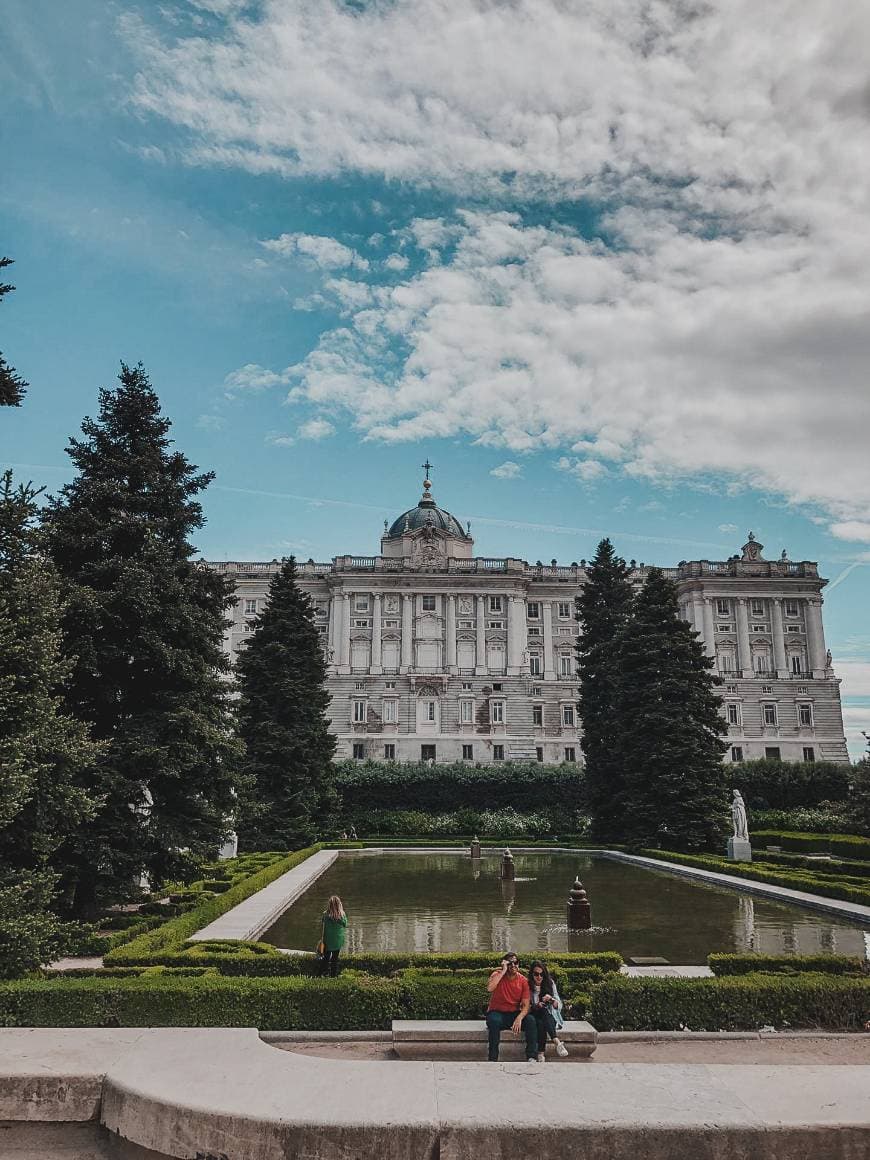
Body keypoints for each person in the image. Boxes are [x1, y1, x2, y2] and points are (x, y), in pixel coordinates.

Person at [485, 951, 537, 1062]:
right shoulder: (497, 974)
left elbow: (526, 1005)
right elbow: (490, 988)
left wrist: (519, 1018)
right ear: (505, 965)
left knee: (531, 1021)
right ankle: (493, 1059)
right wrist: (503, 971)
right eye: (510, 963)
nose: (514, 966)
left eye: (516, 963)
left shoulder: (523, 981)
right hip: (497, 1012)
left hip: (514, 1014)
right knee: (494, 1022)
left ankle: (532, 1056)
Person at [527, 961, 569, 1061]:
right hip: (533, 1014)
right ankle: (556, 1042)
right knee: (541, 1012)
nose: (539, 977)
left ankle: (541, 1054)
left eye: (542, 974)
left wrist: (551, 999)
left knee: (543, 1019)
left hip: (549, 1017)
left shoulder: (550, 983)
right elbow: (524, 1005)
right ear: (532, 974)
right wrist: (535, 1005)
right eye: (536, 974)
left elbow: (559, 1005)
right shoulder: (527, 985)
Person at [318, 894, 347, 977]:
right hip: (338, 941)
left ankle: (319, 975)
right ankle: (333, 976)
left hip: (328, 941)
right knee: (335, 959)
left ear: (329, 905)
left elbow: (323, 925)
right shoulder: (342, 915)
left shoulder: (325, 914)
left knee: (326, 959)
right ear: (339, 904)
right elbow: (345, 924)